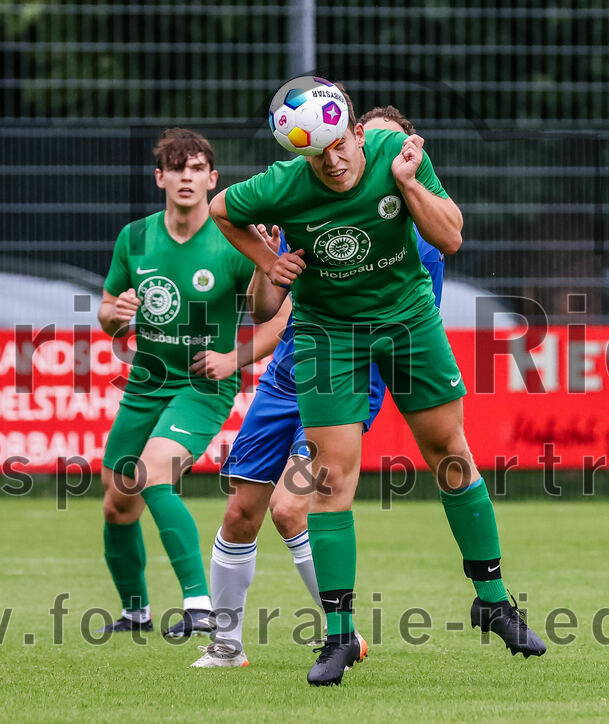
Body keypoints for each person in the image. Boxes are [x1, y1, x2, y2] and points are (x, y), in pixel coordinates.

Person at [210, 80, 547, 686]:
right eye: (317, 155)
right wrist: (268, 263)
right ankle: (339, 637)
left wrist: (412, 182)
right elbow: (221, 210)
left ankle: (492, 599)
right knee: (332, 476)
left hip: (408, 320)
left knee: (451, 454)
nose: (333, 162)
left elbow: (450, 236)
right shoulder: (282, 185)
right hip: (326, 335)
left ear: (358, 131)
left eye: (340, 146)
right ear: (299, 155)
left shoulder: (396, 151)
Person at [190, 107, 447, 669]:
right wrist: (269, 260)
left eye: (394, 146)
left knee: (291, 508)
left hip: (346, 382)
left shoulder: (409, 228)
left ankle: (342, 633)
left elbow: (399, 321)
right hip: (288, 377)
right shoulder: (312, 204)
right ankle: (227, 646)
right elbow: (270, 309)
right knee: (241, 513)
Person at [97, 128, 268, 639]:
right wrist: (117, 313)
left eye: (197, 169)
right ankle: (135, 613)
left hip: (202, 385)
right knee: (117, 500)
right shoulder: (136, 238)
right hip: (146, 381)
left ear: (213, 179)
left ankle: (200, 605)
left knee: (151, 475)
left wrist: (233, 356)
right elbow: (107, 312)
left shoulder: (233, 238)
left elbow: (269, 313)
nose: (187, 178)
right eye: (178, 168)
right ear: (161, 178)